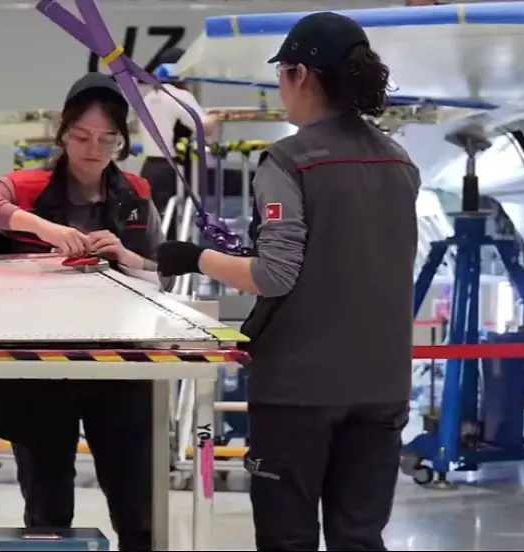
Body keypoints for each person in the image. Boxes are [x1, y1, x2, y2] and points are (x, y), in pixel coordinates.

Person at [156, 12, 420, 551]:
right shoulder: (400, 160)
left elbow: (275, 275)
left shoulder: (290, 160)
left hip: (300, 390)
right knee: (360, 537)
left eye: (281, 74)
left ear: (301, 74)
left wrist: (196, 258)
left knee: (287, 539)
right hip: (382, 385)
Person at [0, 72, 169, 550]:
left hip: (121, 368)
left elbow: (162, 272)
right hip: (42, 370)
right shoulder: (28, 186)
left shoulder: (136, 192)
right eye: (82, 136)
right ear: (63, 133)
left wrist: (126, 257)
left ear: (122, 141)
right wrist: (39, 228)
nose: (93, 149)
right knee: (48, 510)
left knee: (138, 507)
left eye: (107, 138)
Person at [139, 47, 217, 217]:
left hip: (148, 169)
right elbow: (205, 128)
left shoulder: (148, 97)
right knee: (175, 222)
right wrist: (216, 116)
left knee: (153, 222)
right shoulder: (179, 96)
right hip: (173, 171)